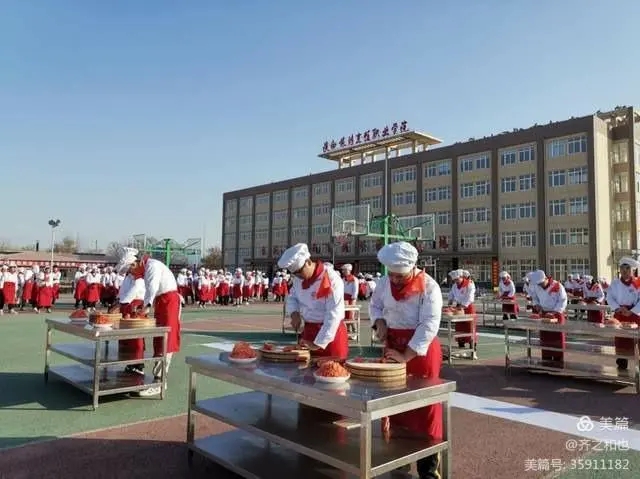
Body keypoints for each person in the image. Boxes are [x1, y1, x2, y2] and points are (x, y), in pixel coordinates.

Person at [369, 241, 443, 479]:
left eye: (400, 276)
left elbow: (429, 325)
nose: (395, 280)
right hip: (393, 346)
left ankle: (428, 469)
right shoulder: (384, 283)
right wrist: (379, 322)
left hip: (420, 352)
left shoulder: (429, 287)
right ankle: (397, 463)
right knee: (393, 404)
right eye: (391, 275)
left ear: (412, 268)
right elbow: (375, 305)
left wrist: (406, 355)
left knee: (424, 407)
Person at [116, 247, 181, 397]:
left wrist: (146, 307)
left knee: (166, 340)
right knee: (160, 339)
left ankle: (159, 381)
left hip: (169, 302)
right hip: (162, 302)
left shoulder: (152, 266)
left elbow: (152, 287)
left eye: (131, 271)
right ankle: (158, 378)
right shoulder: (147, 268)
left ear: (135, 264)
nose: (132, 275)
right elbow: (150, 290)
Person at [278, 243, 347, 359]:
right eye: (294, 274)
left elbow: (334, 314)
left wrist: (317, 344)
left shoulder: (331, 279)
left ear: (308, 262)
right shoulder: (299, 279)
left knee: (331, 368)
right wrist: (294, 314)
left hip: (331, 334)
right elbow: (292, 297)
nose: (298, 276)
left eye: (299, 272)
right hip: (308, 332)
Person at [605, 257, 640, 370]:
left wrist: (632, 311)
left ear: (632, 270)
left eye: (627, 268)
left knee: (636, 340)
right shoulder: (615, 283)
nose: (624, 271)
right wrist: (617, 308)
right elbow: (609, 297)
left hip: (634, 314)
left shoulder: (637, 282)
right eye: (622, 268)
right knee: (621, 340)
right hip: (620, 314)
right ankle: (621, 363)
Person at [528, 269, 568, 362]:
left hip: (557, 314)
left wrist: (555, 312)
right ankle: (546, 359)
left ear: (546, 278)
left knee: (557, 339)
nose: (541, 285)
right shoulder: (537, 286)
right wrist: (536, 304)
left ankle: (558, 360)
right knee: (545, 337)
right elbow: (534, 297)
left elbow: (563, 300)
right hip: (544, 314)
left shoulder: (557, 285)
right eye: (539, 284)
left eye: (542, 283)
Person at [114, 271, 147, 375]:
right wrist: (118, 300)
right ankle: (129, 363)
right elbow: (122, 291)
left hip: (135, 306)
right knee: (126, 338)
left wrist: (121, 303)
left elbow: (134, 291)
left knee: (136, 338)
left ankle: (138, 364)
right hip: (126, 306)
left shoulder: (139, 278)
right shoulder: (127, 277)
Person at [447, 269, 477, 349]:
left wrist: (462, 306)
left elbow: (470, 297)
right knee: (459, 327)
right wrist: (450, 301)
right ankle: (461, 345)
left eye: (457, 279)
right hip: (458, 307)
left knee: (470, 327)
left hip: (468, 307)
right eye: (454, 280)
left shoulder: (469, 284)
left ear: (461, 277)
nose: (456, 281)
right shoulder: (454, 286)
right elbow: (451, 294)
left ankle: (472, 346)